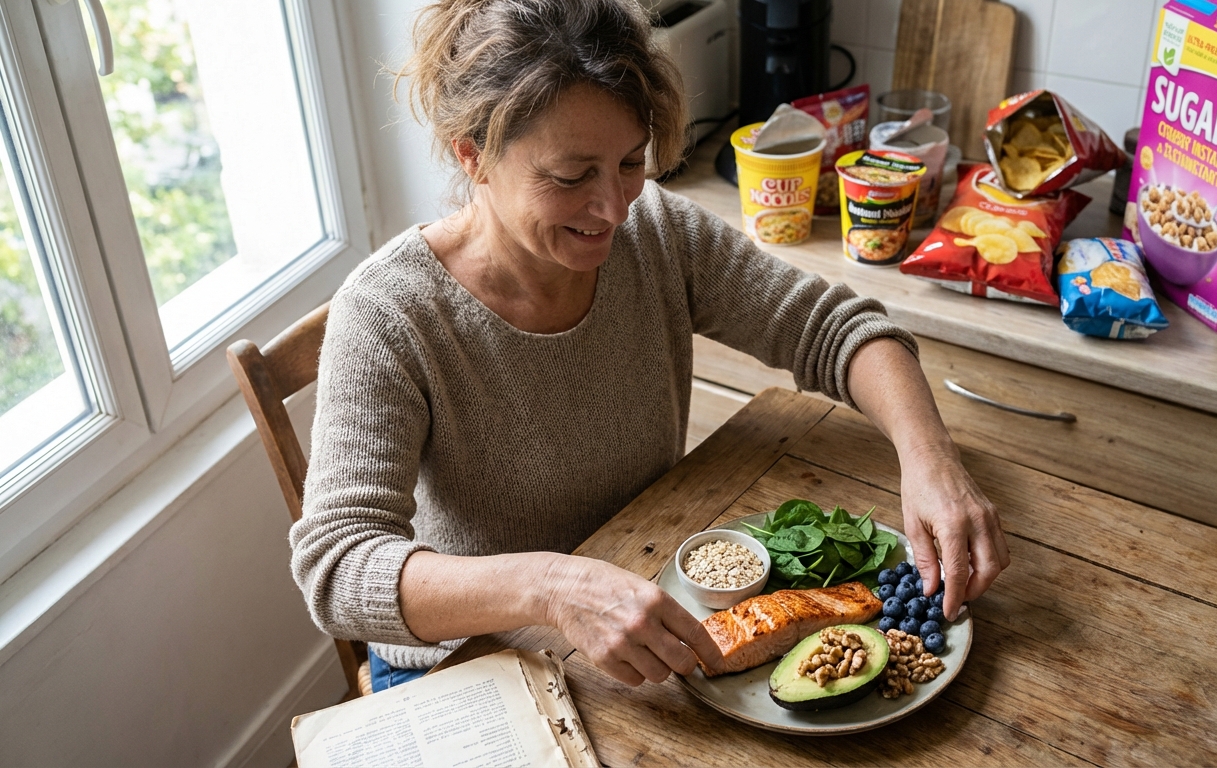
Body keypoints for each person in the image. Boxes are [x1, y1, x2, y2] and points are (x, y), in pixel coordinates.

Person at [291, 0, 1009, 693]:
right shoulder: (388, 314)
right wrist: (548, 586)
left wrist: (931, 462)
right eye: (571, 177)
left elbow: (838, 328)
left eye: (630, 163)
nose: (614, 208)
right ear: (474, 156)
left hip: (640, 597)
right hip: (468, 661)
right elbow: (337, 569)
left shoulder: (656, 233)